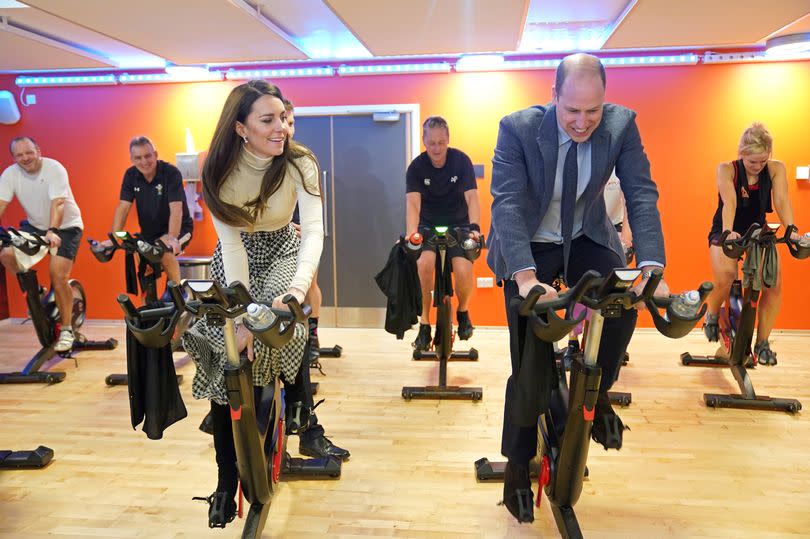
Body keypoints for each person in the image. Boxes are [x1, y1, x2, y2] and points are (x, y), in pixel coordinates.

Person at [487, 53, 669, 523]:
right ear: (553, 98)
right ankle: (517, 463)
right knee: (529, 353)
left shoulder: (622, 125)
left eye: (593, 111)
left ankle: (597, 390)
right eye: (572, 111)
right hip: (528, 242)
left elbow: (641, 192)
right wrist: (526, 279)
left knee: (623, 302)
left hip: (586, 234)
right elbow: (506, 202)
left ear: (604, 103)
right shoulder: (519, 128)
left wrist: (652, 265)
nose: (583, 121)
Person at [181, 80, 348, 528]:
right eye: (268, 120)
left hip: (283, 249)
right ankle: (223, 477)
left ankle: (296, 407)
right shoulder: (217, 170)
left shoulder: (300, 162)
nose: (281, 128)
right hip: (237, 255)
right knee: (223, 352)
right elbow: (231, 247)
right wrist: (236, 315)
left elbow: (313, 229)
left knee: (272, 324)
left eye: (283, 118)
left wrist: (295, 291)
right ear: (240, 128)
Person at [702, 122, 798, 365]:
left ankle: (762, 343)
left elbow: (781, 200)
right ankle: (712, 316)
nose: (757, 166)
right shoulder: (727, 170)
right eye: (752, 161)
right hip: (727, 228)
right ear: (741, 153)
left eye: (762, 161)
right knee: (725, 276)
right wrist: (727, 233)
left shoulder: (776, 169)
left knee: (773, 286)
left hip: (757, 230)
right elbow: (730, 202)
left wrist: (792, 229)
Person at [0, 136, 84, 352]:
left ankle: (66, 329)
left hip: (66, 226)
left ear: (38, 150)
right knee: (6, 253)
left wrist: (53, 230)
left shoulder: (54, 168)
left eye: (29, 152)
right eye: (19, 155)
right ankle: (36, 291)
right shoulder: (10, 174)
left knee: (58, 275)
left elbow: (58, 203)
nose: (25, 158)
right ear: (14, 158)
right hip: (35, 225)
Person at [405, 116, 481, 350]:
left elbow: (472, 197)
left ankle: (463, 311)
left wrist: (475, 228)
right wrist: (411, 233)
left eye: (441, 143)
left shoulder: (461, 161)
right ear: (424, 141)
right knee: (424, 266)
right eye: (432, 143)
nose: (436, 149)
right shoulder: (417, 167)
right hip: (428, 225)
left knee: (463, 269)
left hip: (459, 225)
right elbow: (413, 204)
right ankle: (425, 323)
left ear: (448, 139)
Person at [99, 136, 193, 284]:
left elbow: (176, 208)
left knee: (164, 252)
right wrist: (115, 238)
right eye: (138, 157)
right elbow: (123, 207)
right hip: (149, 233)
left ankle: (178, 293)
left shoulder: (171, 173)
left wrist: (172, 239)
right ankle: (149, 306)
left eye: (148, 156)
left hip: (179, 229)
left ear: (155, 155)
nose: (144, 161)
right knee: (145, 272)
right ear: (132, 159)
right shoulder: (131, 176)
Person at [285, 98, 325, 366]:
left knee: (309, 282)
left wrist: (304, 229)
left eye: (290, 122)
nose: (287, 128)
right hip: (280, 228)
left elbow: (314, 203)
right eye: (282, 122)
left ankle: (312, 334)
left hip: (302, 226)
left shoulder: (302, 159)